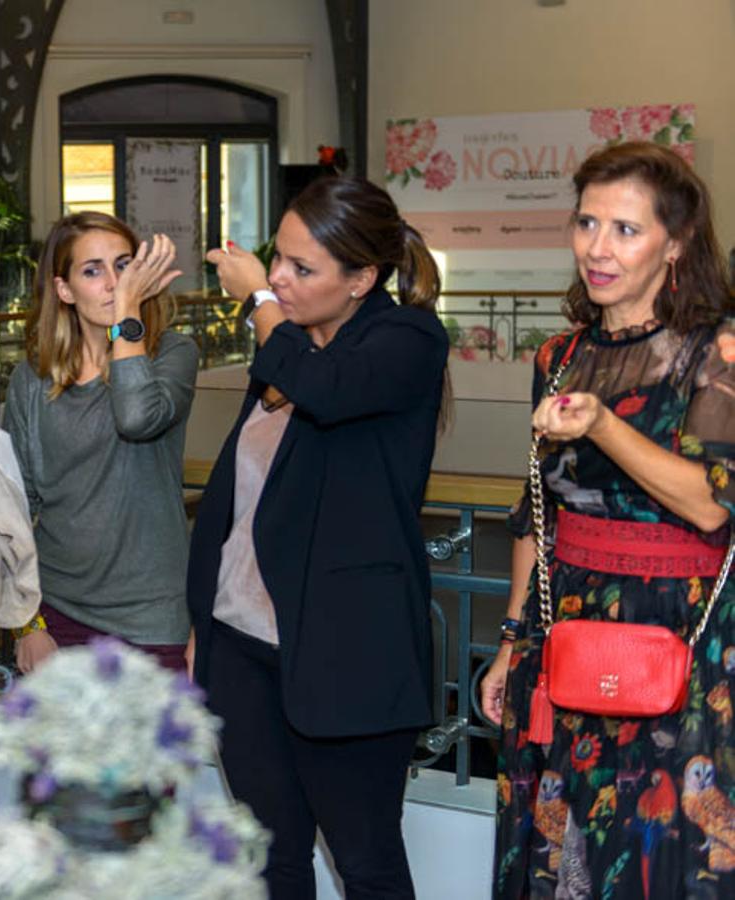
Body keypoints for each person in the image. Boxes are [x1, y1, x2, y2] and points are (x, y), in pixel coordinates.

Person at [481, 143, 735, 899]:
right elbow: (537, 511)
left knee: (659, 849)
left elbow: (711, 501)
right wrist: (509, 641)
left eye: (625, 229)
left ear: (675, 243)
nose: (597, 248)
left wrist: (601, 425)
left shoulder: (715, 351)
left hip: (679, 637)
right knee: (562, 852)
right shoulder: (559, 355)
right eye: (586, 223)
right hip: (563, 633)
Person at [187, 176, 450, 899]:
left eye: (302, 268)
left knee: (366, 867)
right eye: (277, 258)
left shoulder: (406, 340)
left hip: (345, 656)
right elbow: (242, 498)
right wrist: (205, 621)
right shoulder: (291, 345)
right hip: (242, 645)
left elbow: (327, 391)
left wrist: (258, 301)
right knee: (272, 860)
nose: (278, 276)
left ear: (362, 278)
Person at [3, 212, 196, 674]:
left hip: (152, 619)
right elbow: (11, 507)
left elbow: (136, 416)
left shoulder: (172, 353)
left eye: (123, 266)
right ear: (64, 290)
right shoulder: (33, 379)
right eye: (93, 271)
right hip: (57, 615)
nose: (114, 283)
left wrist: (126, 314)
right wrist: (26, 625)